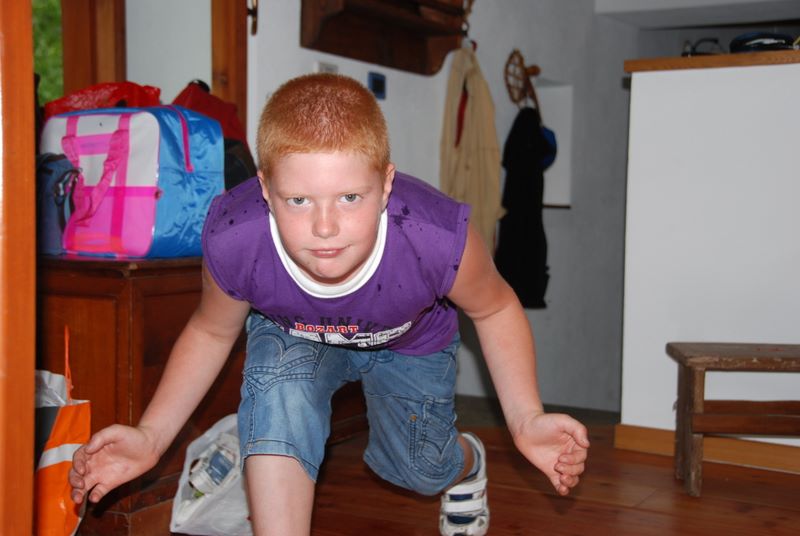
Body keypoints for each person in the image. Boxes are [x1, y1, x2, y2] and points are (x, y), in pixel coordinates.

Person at [69, 73, 589, 536]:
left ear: (386, 184)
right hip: (294, 331)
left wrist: (525, 419)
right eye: (299, 200)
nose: (324, 227)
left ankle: (465, 464)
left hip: (409, 341)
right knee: (278, 393)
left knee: (420, 470)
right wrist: (150, 436)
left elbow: (495, 309)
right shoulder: (235, 237)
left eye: (349, 198)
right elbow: (211, 331)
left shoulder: (435, 236)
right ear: (265, 189)